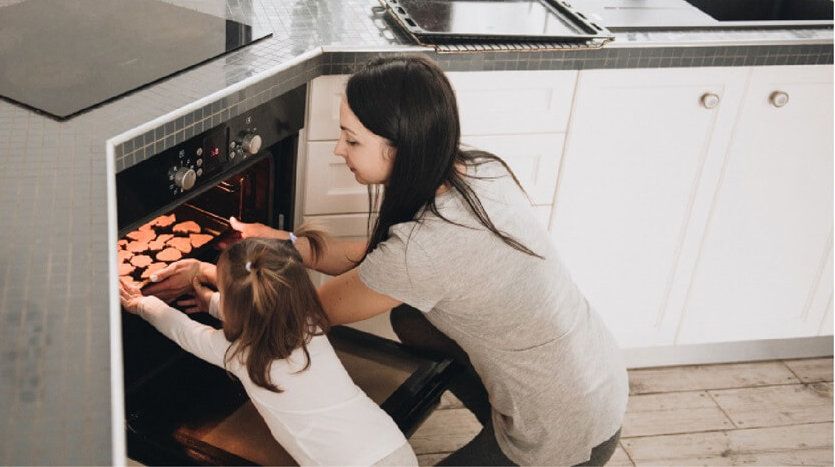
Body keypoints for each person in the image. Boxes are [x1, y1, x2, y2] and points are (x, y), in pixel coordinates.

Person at [220, 53, 629, 466]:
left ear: (402, 147)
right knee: (409, 318)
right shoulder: (477, 169)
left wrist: (225, 276)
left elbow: (302, 317)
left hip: (565, 431)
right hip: (597, 376)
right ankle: (496, 405)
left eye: (352, 138)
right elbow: (374, 261)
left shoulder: (424, 251)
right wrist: (287, 243)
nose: (340, 149)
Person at [120, 235, 419, 467]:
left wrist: (142, 304)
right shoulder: (308, 321)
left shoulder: (241, 355)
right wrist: (210, 301)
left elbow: (185, 332)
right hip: (390, 445)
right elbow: (260, 311)